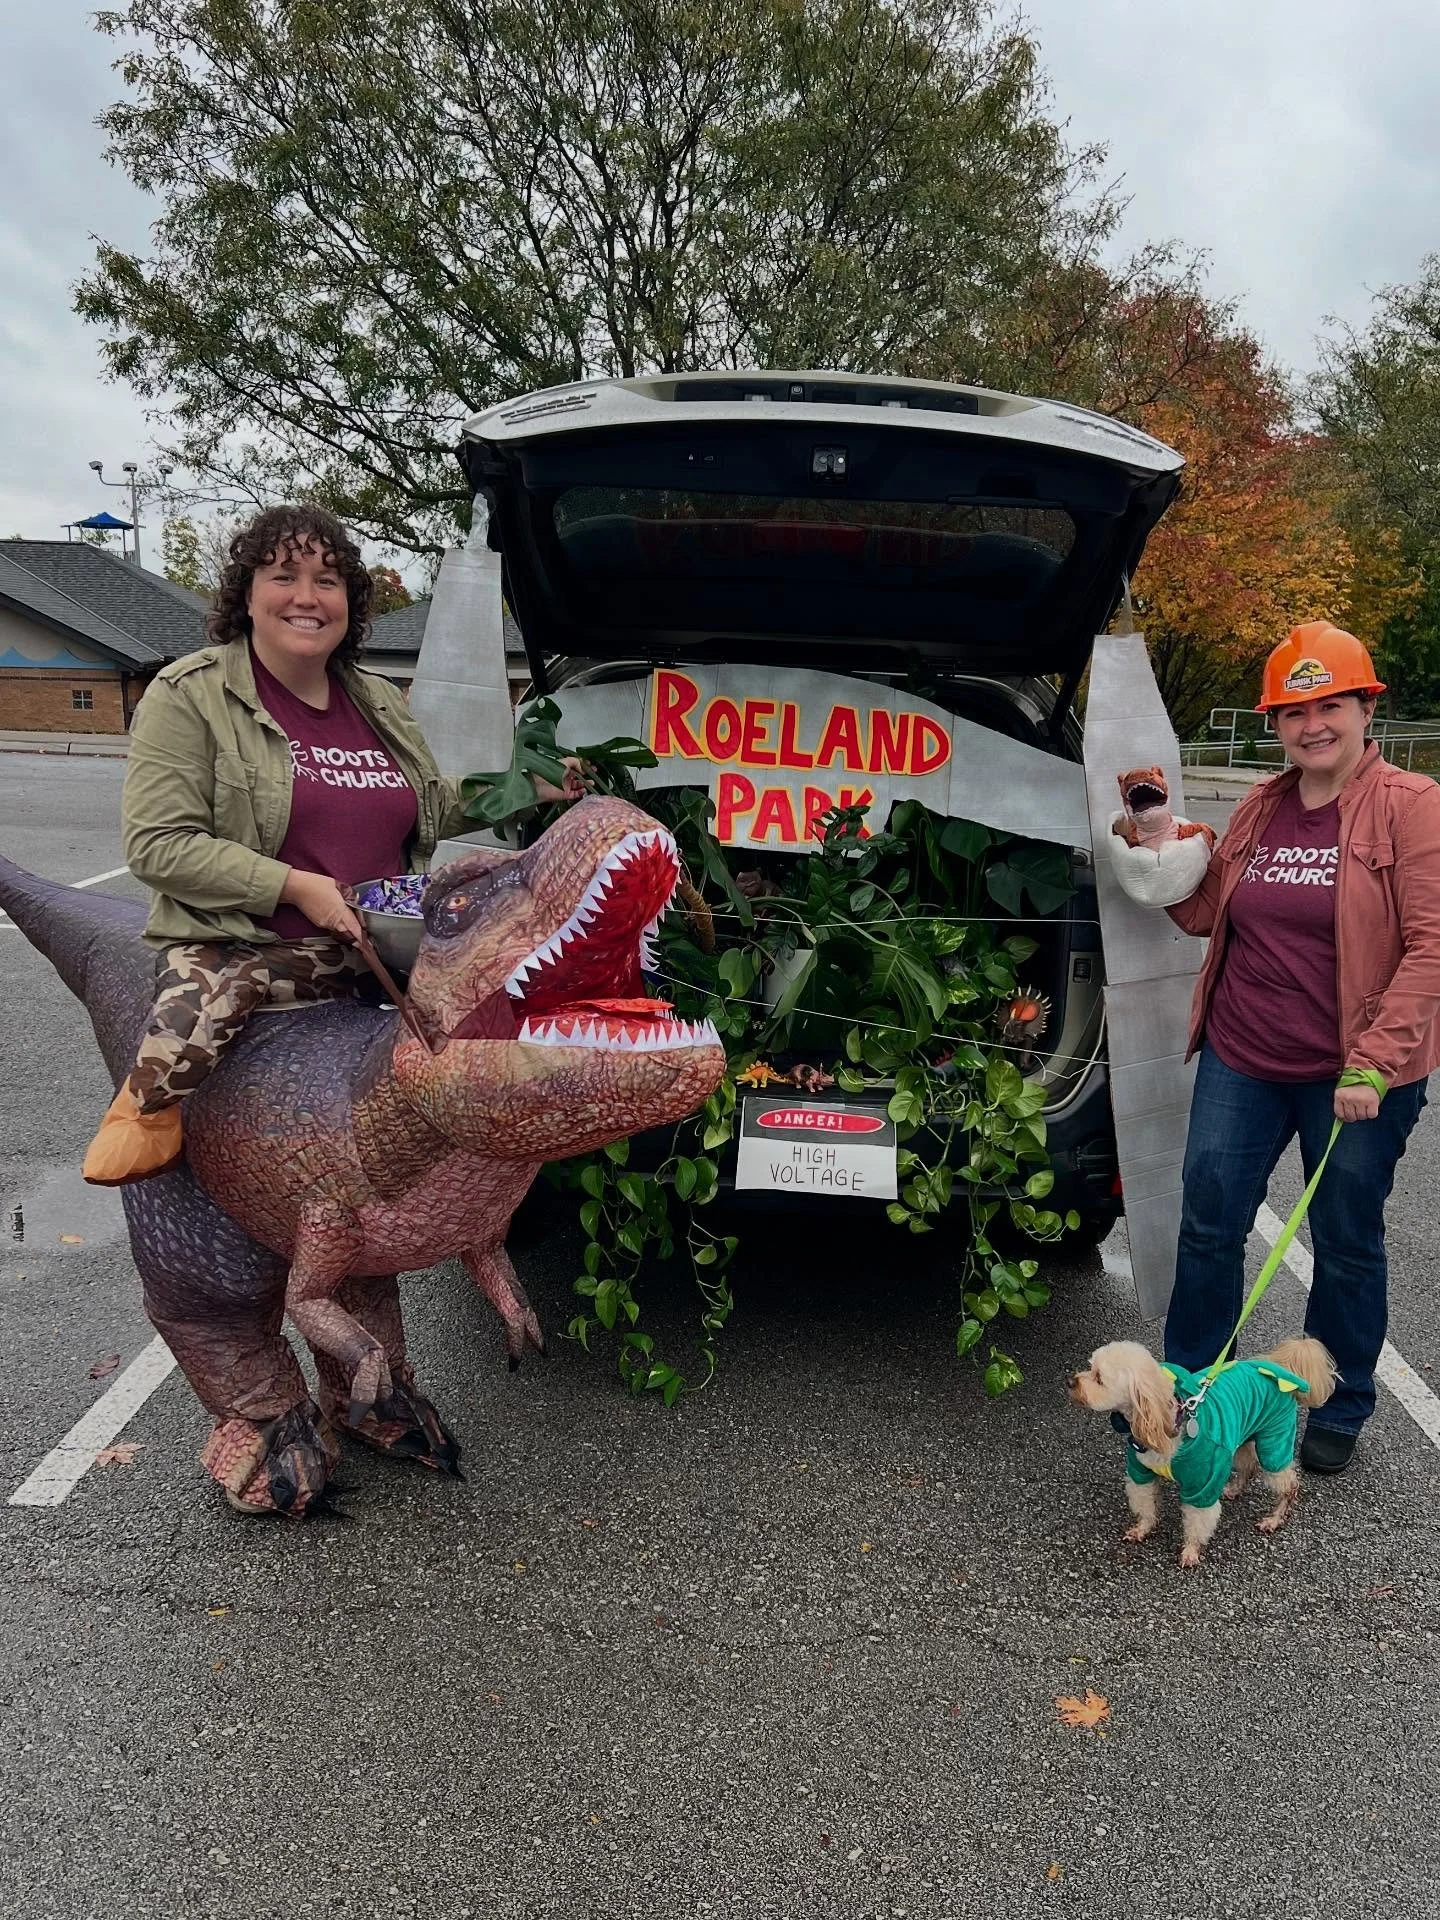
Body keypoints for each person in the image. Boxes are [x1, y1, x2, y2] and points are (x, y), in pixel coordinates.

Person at [84, 503, 581, 1186]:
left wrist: (525, 787)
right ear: (247, 596)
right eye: (284, 575)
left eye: (328, 580)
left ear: (350, 601)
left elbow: (426, 804)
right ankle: (147, 1105)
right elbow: (158, 845)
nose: (307, 597)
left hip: (381, 946)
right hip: (251, 942)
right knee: (216, 991)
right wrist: (294, 886)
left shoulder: (376, 698)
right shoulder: (188, 694)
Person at [1162, 620, 1440, 1474]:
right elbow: (1204, 913)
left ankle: (1340, 1400)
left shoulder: (1412, 805)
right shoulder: (1262, 803)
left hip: (1354, 1075)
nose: (1311, 724)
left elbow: (1431, 944)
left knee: (1345, 1235)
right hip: (1243, 1057)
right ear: (1274, 724)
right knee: (1209, 1221)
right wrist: (1155, 858)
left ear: (1365, 708)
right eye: (1293, 710)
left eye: (1329, 704)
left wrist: (1377, 1062)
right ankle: (1195, 1390)